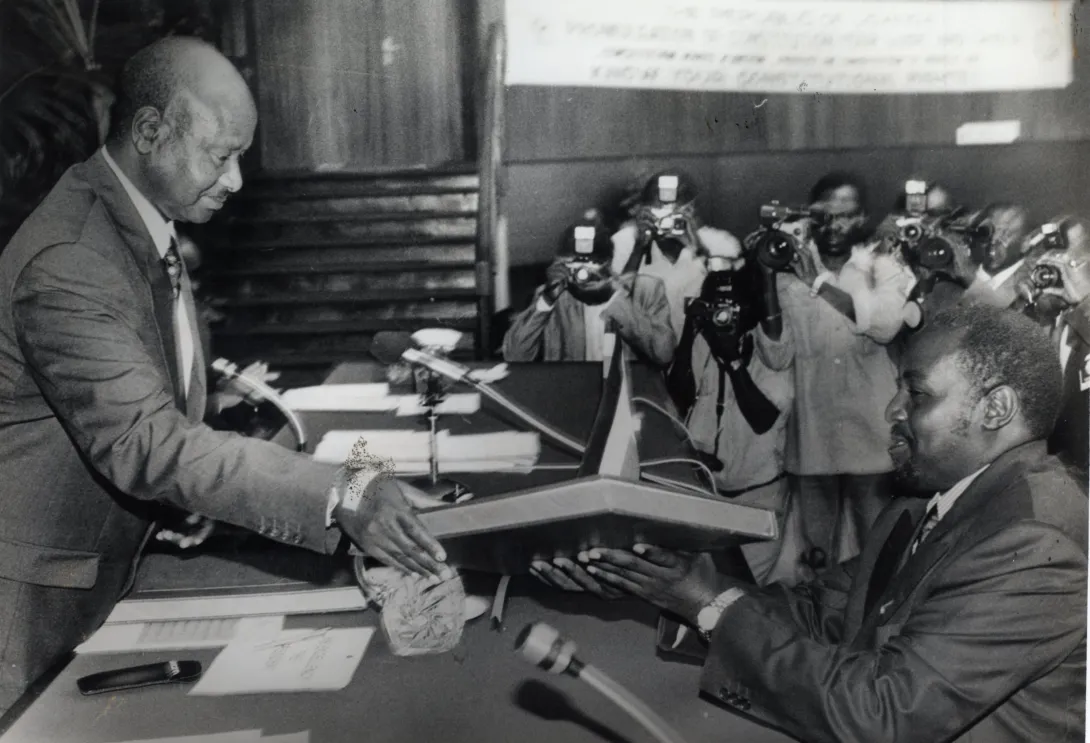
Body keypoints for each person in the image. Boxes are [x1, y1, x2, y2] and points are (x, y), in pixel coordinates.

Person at [0, 37, 446, 713]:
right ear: (150, 132)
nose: (235, 179)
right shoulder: (73, 258)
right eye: (220, 154)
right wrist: (343, 489)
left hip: (102, 573)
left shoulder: (138, 219)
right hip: (33, 605)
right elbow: (147, 441)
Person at [584, 303, 1086, 743]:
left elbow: (885, 715)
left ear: (996, 409)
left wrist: (707, 606)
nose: (893, 410)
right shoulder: (927, 501)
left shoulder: (1036, 543)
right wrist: (673, 581)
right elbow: (821, 613)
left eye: (917, 394)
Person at [758, 172, 915, 571]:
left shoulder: (884, 266)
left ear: (862, 217)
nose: (832, 226)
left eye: (844, 216)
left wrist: (819, 282)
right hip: (813, 430)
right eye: (822, 216)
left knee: (875, 548)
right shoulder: (785, 268)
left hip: (873, 430)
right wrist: (763, 275)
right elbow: (777, 357)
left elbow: (885, 325)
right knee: (817, 556)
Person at [665, 241, 798, 586]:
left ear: (751, 307)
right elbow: (678, 392)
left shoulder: (774, 352)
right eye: (717, 305)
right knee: (710, 588)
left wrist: (734, 362)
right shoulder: (703, 341)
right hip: (708, 494)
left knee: (753, 587)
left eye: (733, 304)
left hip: (757, 497)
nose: (725, 313)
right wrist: (690, 330)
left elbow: (762, 417)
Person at [502, 222, 675, 366]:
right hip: (573, 389)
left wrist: (614, 297)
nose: (582, 273)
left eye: (592, 264)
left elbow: (664, 355)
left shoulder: (645, 289)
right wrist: (546, 302)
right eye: (574, 265)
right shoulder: (555, 296)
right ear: (561, 264)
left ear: (608, 263)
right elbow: (514, 356)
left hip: (626, 394)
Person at [610, 171, 741, 338]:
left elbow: (732, 300)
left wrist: (697, 247)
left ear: (691, 209)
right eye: (658, 212)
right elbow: (614, 304)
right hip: (644, 352)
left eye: (673, 213)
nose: (666, 222)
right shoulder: (623, 242)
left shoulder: (721, 243)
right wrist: (638, 249)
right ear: (643, 211)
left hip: (702, 351)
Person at [1014, 216, 1090, 475]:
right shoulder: (1060, 318)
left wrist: (1086, 301)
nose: (1059, 265)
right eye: (1052, 254)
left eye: (1072, 259)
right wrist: (1033, 305)